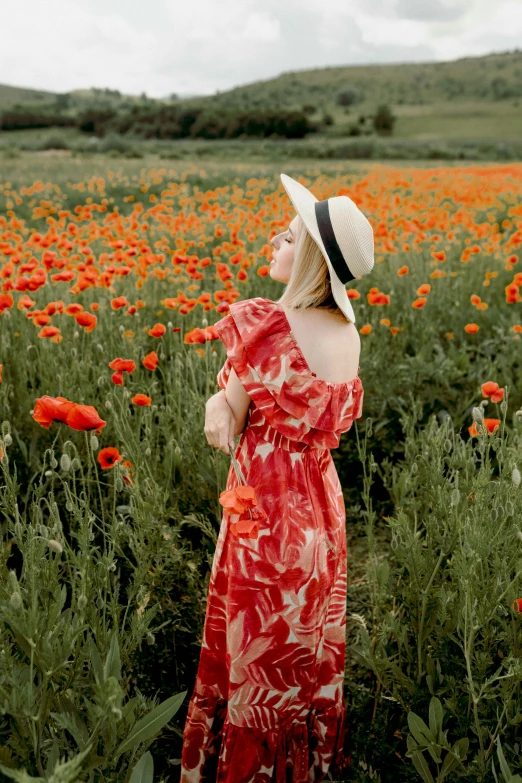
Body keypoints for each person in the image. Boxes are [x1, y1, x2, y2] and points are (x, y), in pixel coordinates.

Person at [180, 173, 374, 783]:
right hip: (319, 513)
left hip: (263, 513)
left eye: (287, 235)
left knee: (253, 650)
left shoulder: (265, 325)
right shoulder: (347, 335)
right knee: (303, 646)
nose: (274, 239)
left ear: (309, 257)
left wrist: (219, 402)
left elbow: (227, 423)